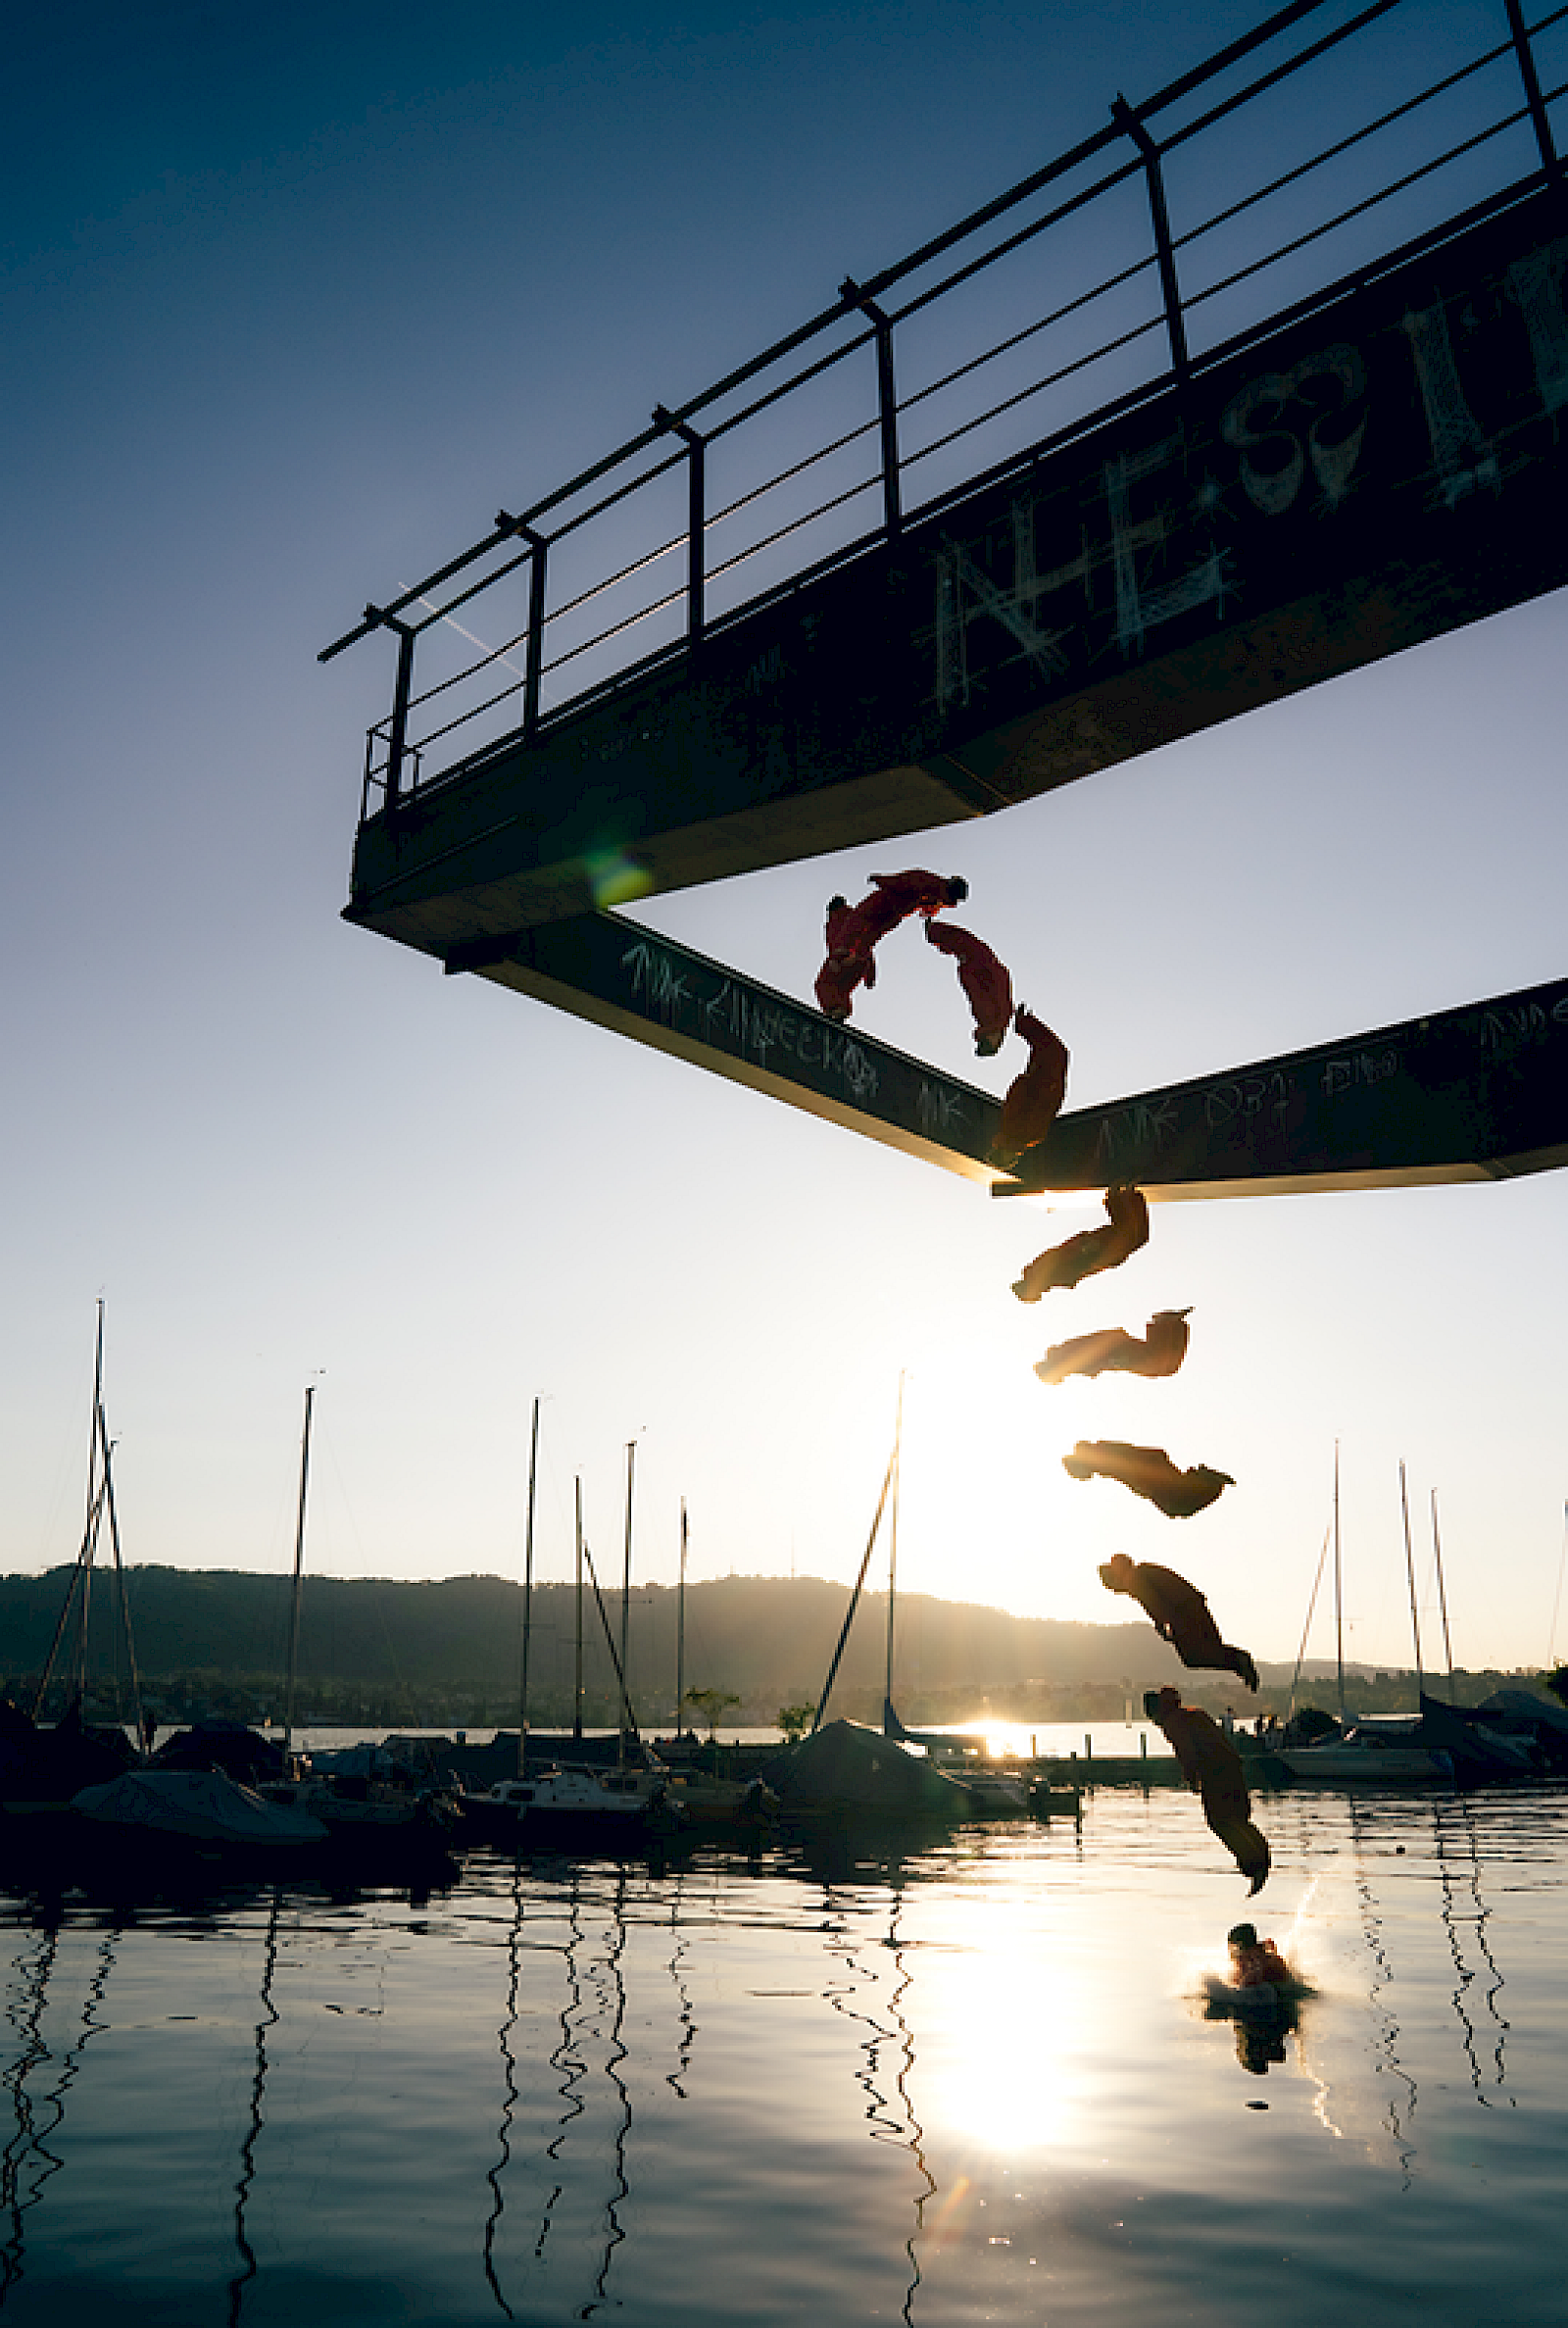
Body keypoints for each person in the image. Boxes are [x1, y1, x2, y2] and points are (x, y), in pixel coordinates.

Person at [1145, 1686, 1270, 1893]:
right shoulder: (1195, 1713)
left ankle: (1253, 1866)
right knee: (1238, 1818)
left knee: (1218, 1821)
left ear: (1157, 1712)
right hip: (1232, 1766)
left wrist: (1192, 1779)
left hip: (1215, 1773)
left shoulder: (1173, 1723)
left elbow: (1187, 1753)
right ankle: (1262, 1861)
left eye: (1152, 1717)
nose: (1154, 1723)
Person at [1097, 1554, 1259, 1692]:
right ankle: (1239, 1664)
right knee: (1208, 1649)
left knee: (1192, 1658)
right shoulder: (1142, 1572)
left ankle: (1239, 1661)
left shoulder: (1133, 1579)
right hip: (1191, 1605)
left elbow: (1154, 1604)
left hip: (1183, 1612)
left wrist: (1163, 1626)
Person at [1012, 1184, 1149, 1301]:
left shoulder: (1042, 1275)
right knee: (1134, 1236)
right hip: (1096, 1253)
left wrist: (1088, 1249)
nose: (1041, 1293)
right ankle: (1122, 1194)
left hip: (1094, 1251)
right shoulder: (1042, 1276)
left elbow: (1064, 1258)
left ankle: (1120, 1194)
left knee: (1129, 1233)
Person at [1063, 1440, 1234, 1519]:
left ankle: (1209, 1481)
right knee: (1174, 1506)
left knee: (1175, 1506)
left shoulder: (1100, 1457)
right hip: (1152, 1476)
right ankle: (1207, 1480)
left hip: (1151, 1474)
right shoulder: (1099, 1458)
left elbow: (1129, 1460)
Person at [924, 918, 1014, 1055]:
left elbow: (975, 992)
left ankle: (934, 932)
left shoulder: (991, 1019)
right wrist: (969, 970)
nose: (999, 1042)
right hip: (983, 969)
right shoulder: (997, 1019)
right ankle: (934, 932)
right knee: (964, 943)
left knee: (964, 943)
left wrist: (968, 971)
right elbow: (987, 990)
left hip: (982, 969)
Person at [1035, 1308, 1191, 1386]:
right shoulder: (1064, 1361)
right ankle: (1169, 1324)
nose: (1060, 1380)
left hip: (1115, 1349)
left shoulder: (1063, 1358)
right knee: (1164, 1367)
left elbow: (1091, 1350)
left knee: (1155, 1363)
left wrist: (1112, 1359)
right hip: (1116, 1351)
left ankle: (1164, 1323)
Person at [994, 1007, 1069, 1164]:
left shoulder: (1013, 1132)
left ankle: (1023, 1023)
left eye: (1009, 1161)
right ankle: (1024, 1023)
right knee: (1050, 1049)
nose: (1014, 1161)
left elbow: (1015, 1102)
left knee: (1055, 1050)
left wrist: (1027, 1079)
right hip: (1046, 1085)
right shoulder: (1025, 1139)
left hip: (1041, 1082)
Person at [1227, 1922, 1293, 1991]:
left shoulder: (1261, 1964)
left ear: (1249, 1949)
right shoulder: (1248, 1961)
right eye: (1231, 1950)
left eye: (1236, 1950)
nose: (1233, 1957)